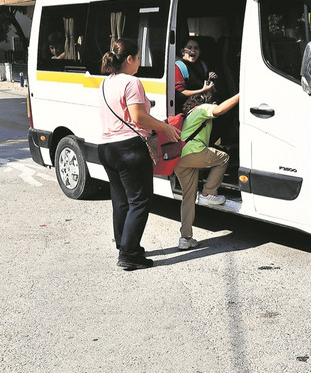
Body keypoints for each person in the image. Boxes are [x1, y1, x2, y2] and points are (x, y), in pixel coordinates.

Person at [98, 38, 181, 270]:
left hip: (107, 148)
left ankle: (124, 244)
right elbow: (138, 117)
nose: (139, 64)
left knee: (121, 200)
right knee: (140, 201)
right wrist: (165, 127)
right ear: (129, 59)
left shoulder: (106, 83)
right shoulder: (132, 82)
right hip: (129, 149)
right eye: (137, 59)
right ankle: (129, 254)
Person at [174, 91, 239, 250]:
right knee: (223, 158)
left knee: (188, 197)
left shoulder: (189, 113)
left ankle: (185, 238)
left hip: (179, 159)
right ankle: (208, 193)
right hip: (193, 152)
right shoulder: (202, 109)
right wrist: (241, 94)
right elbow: (220, 110)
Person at [174, 38, 217, 112]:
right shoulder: (178, 67)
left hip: (203, 104)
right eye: (189, 48)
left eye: (196, 48)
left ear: (199, 52)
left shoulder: (202, 65)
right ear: (183, 52)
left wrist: (211, 79)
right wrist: (202, 90)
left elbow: (208, 85)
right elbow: (181, 93)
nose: (193, 51)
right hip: (187, 108)